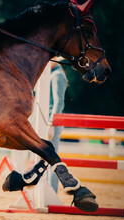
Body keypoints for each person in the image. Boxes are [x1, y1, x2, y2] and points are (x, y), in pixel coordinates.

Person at [48, 58, 68, 193]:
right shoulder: (49, 74)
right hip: (45, 119)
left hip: (52, 121)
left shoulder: (58, 75)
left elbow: (59, 103)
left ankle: (52, 191)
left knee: (52, 158)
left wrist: (52, 123)